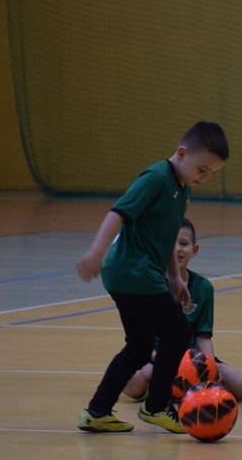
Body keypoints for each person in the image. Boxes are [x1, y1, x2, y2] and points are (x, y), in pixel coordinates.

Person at [75, 121, 230, 433]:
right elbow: (117, 213)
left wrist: (175, 276)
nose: (204, 177)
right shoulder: (156, 178)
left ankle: (97, 411)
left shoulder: (183, 189)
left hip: (137, 275)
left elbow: (167, 235)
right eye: (201, 169)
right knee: (175, 333)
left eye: (211, 173)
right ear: (181, 152)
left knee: (138, 347)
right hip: (133, 272)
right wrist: (95, 252)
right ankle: (157, 405)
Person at [122, 218, 242, 403]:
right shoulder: (150, 285)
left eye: (184, 244)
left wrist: (210, 365)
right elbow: (144, 339)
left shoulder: (204, 287)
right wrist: (164, 361)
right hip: (157, 355)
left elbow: (203, 336)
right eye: (170, 243)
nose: (177, 249)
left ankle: (185, 386)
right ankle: (169, 385)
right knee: (132, 384)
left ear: (195, 250)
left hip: (194, 359)